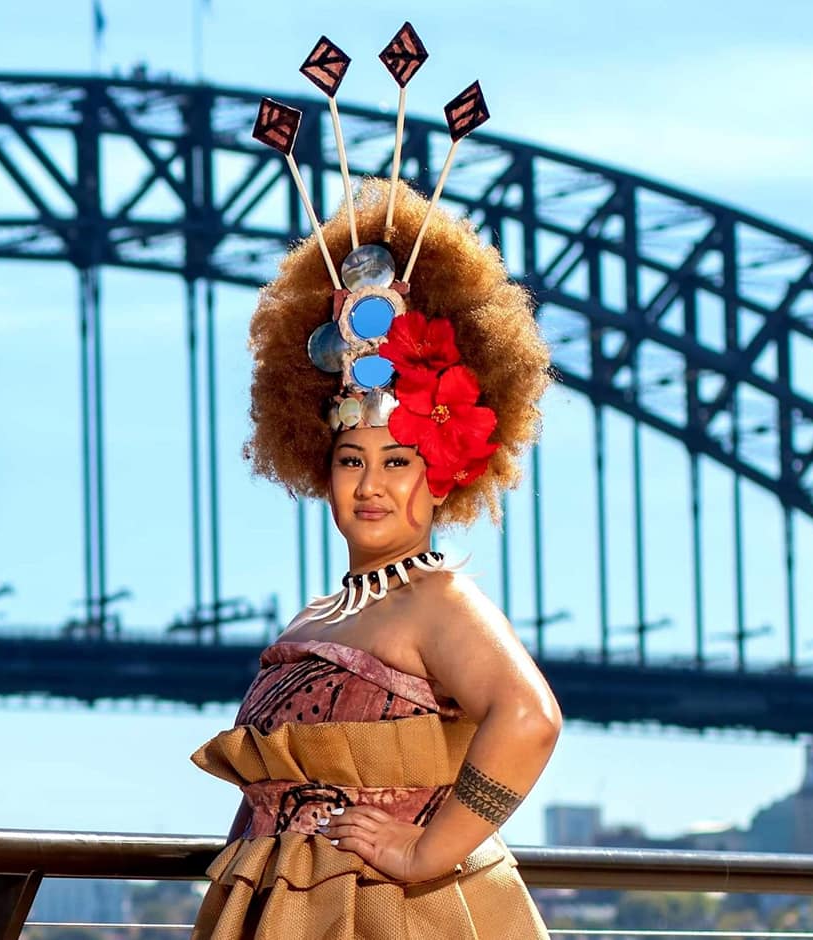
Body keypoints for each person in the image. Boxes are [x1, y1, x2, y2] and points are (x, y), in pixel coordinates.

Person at [190, 33, 560, 936]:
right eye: (352, 461)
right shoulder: (318, 617)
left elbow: (531, 719)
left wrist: (426, 852)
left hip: (385, 912)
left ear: (443, 481)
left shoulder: (437, 597)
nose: (370, 486)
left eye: (399, 465)